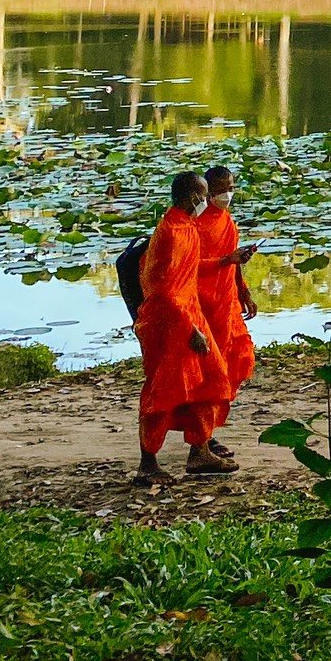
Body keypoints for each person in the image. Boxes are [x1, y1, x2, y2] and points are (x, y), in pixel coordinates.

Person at [134, 169, 234, 486]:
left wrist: (225, 261)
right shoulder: (171, 233)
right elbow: (163, 290)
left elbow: (190, 271)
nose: (207, 201)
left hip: (188, 314)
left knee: (210, 381)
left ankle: (200, 451)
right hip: (169, 322)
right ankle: (147, 465)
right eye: (204, 195)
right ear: (193, 197)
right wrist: (190, 330)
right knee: (164, 391)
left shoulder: (184, 225)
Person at [195, 162, 259, 461]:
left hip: (226, 301)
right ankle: (202, 440)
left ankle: (209, 432)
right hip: (202, 303)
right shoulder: (195, 224)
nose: (227, 195)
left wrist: (243, 291)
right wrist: (225, 260)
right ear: (208, 193)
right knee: (209, 373)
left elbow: (231, 262)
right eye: (222, 190)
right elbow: (189, 268)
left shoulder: (226, 221)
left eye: (231, 189)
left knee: (237, 359)